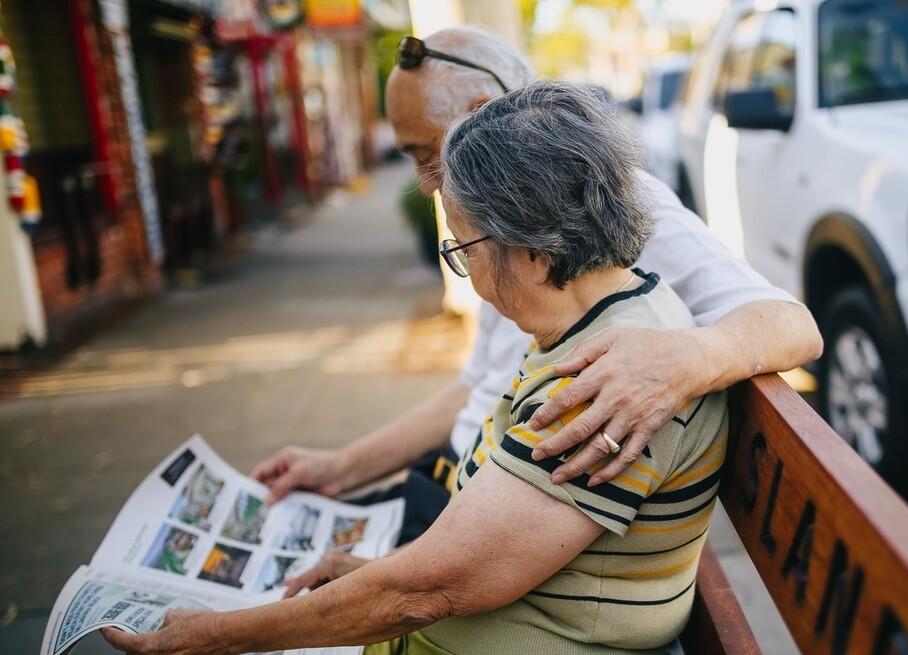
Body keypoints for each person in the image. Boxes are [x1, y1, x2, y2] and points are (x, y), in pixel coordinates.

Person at [105, 80, 733, 655]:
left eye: (464, 248)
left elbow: (427, 593)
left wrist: (211, 636)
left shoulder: (598, 384)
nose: (472, 277)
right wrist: (375, 573)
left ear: (537, 253)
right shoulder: (622, 311)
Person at [250, 26, 821, 531]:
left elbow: (794, 326)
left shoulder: (605, 201)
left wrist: (683, 360)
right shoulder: (495, 224)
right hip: (456, 485)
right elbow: (474, 391)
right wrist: (337, 469)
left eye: (427, 155)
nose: (425, 184)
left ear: (478, 113)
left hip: (490, 512)